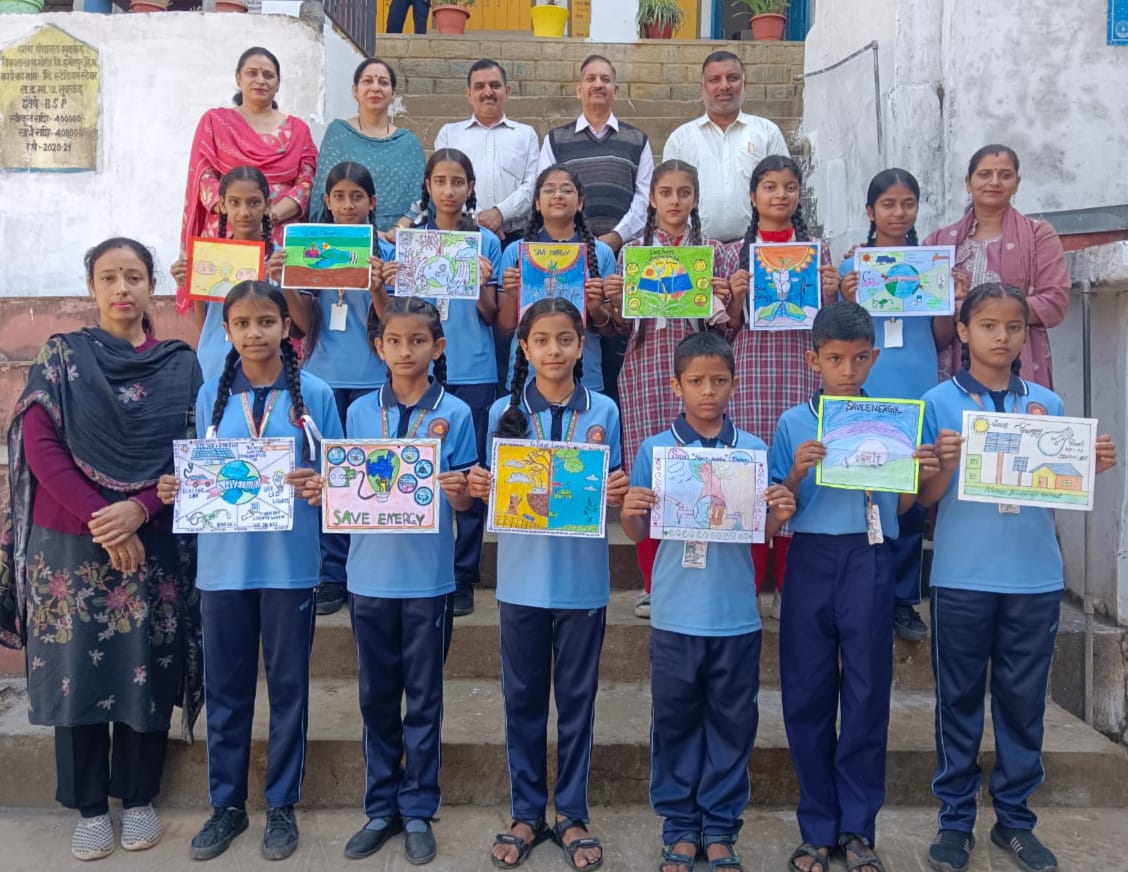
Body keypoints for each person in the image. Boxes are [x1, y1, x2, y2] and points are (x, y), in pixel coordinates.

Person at [0, 238, 203, 862]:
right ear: (91, 287)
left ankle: (138, 798)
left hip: (154, 535)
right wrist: (104, 520)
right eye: (109, 277)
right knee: (76, 669)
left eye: (133, 276)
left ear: (151, 288)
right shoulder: (63, 357)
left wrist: (140, 508)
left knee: (148, 662)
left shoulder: (179, 364)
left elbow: (194, 450)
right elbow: (39, 443)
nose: (122, 288)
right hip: (70, 541)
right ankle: (89, 807)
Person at [919, 282, 1118, 872]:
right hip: (962, 575)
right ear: (963, 332)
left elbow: (1056, 486)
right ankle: (955, 820)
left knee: (1023, 704)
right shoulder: (938, 402)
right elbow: (924, 498)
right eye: (988, 325)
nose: (1001, 337)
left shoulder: (1047, 404)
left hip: (1034, 577)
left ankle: (1014, 820)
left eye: (1013, 326)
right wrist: (943, 464)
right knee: (957, 700)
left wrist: (1088, 465)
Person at [157, 281, 341, 862]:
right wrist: (177, 487)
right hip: (223, 570)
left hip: (290, 568)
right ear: (227, 331)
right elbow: (201, 473)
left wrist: (320, 485)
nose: (255, 333)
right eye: (242, 323)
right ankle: (226, 805)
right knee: (227, 691)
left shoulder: (315, 394)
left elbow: (341, 478)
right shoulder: (211, 393)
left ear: (287, 328)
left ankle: (282, 804)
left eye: (267, 322)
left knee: (288, 690)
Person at [303, 298, 475, 865]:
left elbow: (467, 498)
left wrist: (461, 492)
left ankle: (419, 806)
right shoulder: (357, 413)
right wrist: (326, 489)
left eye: (418, 341)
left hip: (429, 581)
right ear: (378, 347)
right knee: (377, 697)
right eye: (395, 341)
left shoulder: (456, 412)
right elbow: (342, 484)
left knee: (424, 699)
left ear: (438, 348)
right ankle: (381, 806)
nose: (406, 351)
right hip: (368, 580)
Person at [769, 302, 939, 872]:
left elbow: (905, 508)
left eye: (860, 358)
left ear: (874, 357)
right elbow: (779, 508)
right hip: (811, 557)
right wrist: (797, 472)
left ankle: (858, 828)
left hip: (870, 556)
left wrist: (917, 472)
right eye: (836, 359)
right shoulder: (794, 422)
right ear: (813, 359)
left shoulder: (895, 421)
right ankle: (817, 827)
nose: (848, 370)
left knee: (867, 694)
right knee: (807, 692)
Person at [620, 331, 797, 872]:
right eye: (696, 381)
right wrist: (629, 510)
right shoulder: (656, 451)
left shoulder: (753, 451)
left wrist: (779, 514)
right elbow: (637, 533)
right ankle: (679, 826)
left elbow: (760, 532)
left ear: (734, 385)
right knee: (674, 722)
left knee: (732, 724)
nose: (708, 391)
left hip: (735, 615)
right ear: (675, 386)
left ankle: (720, 826)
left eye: (719, 381)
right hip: (675, 614)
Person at [467, 298, 629, 871]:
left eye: (565, 339)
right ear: (525, 348)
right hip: (521, 582)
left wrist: (616, 492)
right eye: (541, 340)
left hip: (583, 583)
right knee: (523, 701)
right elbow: (492, 488)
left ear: (582, 346)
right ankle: (527, 811)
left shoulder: (604, 409)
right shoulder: (502, 411)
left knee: (578, 703)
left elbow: (611, 488)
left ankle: (573, 813)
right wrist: (482, 485)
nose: (553, 350)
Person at [605, 159, 738, 619]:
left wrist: (725, 294)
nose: (675, 201)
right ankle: (652, 583)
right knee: (651, 479)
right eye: (666, 193)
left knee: (701, 472)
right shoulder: (633, 252)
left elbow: (730, 324)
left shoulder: (714, 251)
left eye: (684, 192)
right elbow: (621, 326)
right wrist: (616, 298)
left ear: (696, 198)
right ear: (652, 199)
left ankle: (705, 577)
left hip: (701, 373)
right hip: (646, 370)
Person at [373, 148, 501, 617]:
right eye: (440, 181)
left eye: (458, 182)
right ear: (427, 187)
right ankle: (411, 564)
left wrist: (484, 282)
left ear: (470, 188)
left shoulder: (486, 241)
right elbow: (390, 317)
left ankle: (463, 572)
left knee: (468, 476)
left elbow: (492, 316)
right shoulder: (405, 243)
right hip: (419, 370)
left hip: (474, 368)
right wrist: (381, 282)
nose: (449, 190)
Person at [839, 168, 960, 641]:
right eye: (888, 204)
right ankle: (863, 593)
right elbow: (839, 334)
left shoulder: (930, 269)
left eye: (908, 203)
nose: (898, 212)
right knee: (864, 492)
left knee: (909, 501)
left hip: (916, 394)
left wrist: (948, 300)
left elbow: (943, 337)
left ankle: (903, 599)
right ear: (870, 211)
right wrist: (845, 298)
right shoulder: (852, 269)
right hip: (866, 395)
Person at [728, 155, 840, 609]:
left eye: (789, 187)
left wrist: (830, 293)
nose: (780, 195)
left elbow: (827, 321)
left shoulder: (817, 251)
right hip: (751, 371)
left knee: (798, 467)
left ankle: (787, 586)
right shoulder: (732, 253)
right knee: (754, 471)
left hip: (800, 369)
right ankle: (751, 581)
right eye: (770, 187)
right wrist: (735, 296)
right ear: (753, 197)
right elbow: (725, 327)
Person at [285, 162, 393, 616]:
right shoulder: (312, 249)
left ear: (372, 202)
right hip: (324, 381)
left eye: (357, 197)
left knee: (367, 475)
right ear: (327, 202)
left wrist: (379, 286)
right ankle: (332, 573)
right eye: (339, 197)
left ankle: (366, 566)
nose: (348, 205)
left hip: (374, 380)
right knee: (327, 476)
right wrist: (288, 282)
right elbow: (303, 322)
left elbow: (394, 324)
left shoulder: (388, 251)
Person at [539, 54, 655, 406]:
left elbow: (645, 197)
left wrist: (615, 239)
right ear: (579, 89)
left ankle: (605, 412)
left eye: (605, 79)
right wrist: (580, 242)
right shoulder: (556, 139)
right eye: (591, 78)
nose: (598, 85)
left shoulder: (637, 139)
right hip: (567, 252)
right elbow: (547, 189)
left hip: (621, 255)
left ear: (616, 90)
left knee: (614, 338)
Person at [180, 46, 317, 314]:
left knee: (277, 308)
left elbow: (307, 181)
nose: (260, 80)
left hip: (278, 232)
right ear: (238, 78)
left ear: (278, 83)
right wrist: (237, 213)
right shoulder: (216, 122)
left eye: (268, 75)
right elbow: (203, 174)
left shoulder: (297, 129)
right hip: (227, 230)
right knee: (223, 307)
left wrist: (269, 216)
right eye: (252, 73)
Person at [923, 144, 1070, 388]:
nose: (994, 182)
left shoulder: (1038, 236)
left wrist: (979, 312)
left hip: (1017, 359)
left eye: (1005, 175)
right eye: (984, 174)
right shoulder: (939, 242)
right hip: (956, 359)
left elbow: (1054, 302)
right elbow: (920, 303)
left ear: (1017, 183)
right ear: (968, 182)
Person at [497, 164, 618, 394]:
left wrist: (595, 307)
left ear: (580, 203)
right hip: (526, 375)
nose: (558, 195)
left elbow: (610, 331)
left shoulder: (601, 253)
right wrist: (513, 296)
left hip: (585, 374)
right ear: (537, 203)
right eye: (549, 190)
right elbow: (504, 329)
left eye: (567, 190)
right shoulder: (516, 252)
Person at [663, 51, 791, 243]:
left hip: (755, 247)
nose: (724, 86)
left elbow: (786, 189)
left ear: (745, 84)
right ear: (702, 87)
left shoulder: (766, 133)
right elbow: (666, 201)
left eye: (732, 78)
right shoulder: (680, 140)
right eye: (715, 79)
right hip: (695, 249)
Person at [171, 166, 285, 381]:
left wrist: (275, 281)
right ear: (222, 205)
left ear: (267, 205)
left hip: (263, 364)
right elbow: (205, 322)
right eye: (234, 202)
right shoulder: (208, 259)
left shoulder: (279, 261)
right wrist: (190, 284)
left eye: (254, 202)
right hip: (215, 363)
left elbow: (293, 324)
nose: (244, 212)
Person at [312, 58, 426, 234]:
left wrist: (397, 230)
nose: (375, 88)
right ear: (355, 90)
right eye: (367, 81)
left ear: (393, 93)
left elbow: (422, 199)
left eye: (383, 82)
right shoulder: (339, 134)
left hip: (397, 240)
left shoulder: (408, 142)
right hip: (346, 237)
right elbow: (322, 195)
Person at [434, 60, 540, 245]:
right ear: (468, 93)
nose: (488, 92)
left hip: (515, 237)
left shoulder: (526, 134)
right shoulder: (449, 134)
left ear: (507, 91)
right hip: (461, 237)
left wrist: (500, 213)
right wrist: (478, 219)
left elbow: (532, 185)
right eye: (479, 86)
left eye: (495, 85)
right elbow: (443, 185)